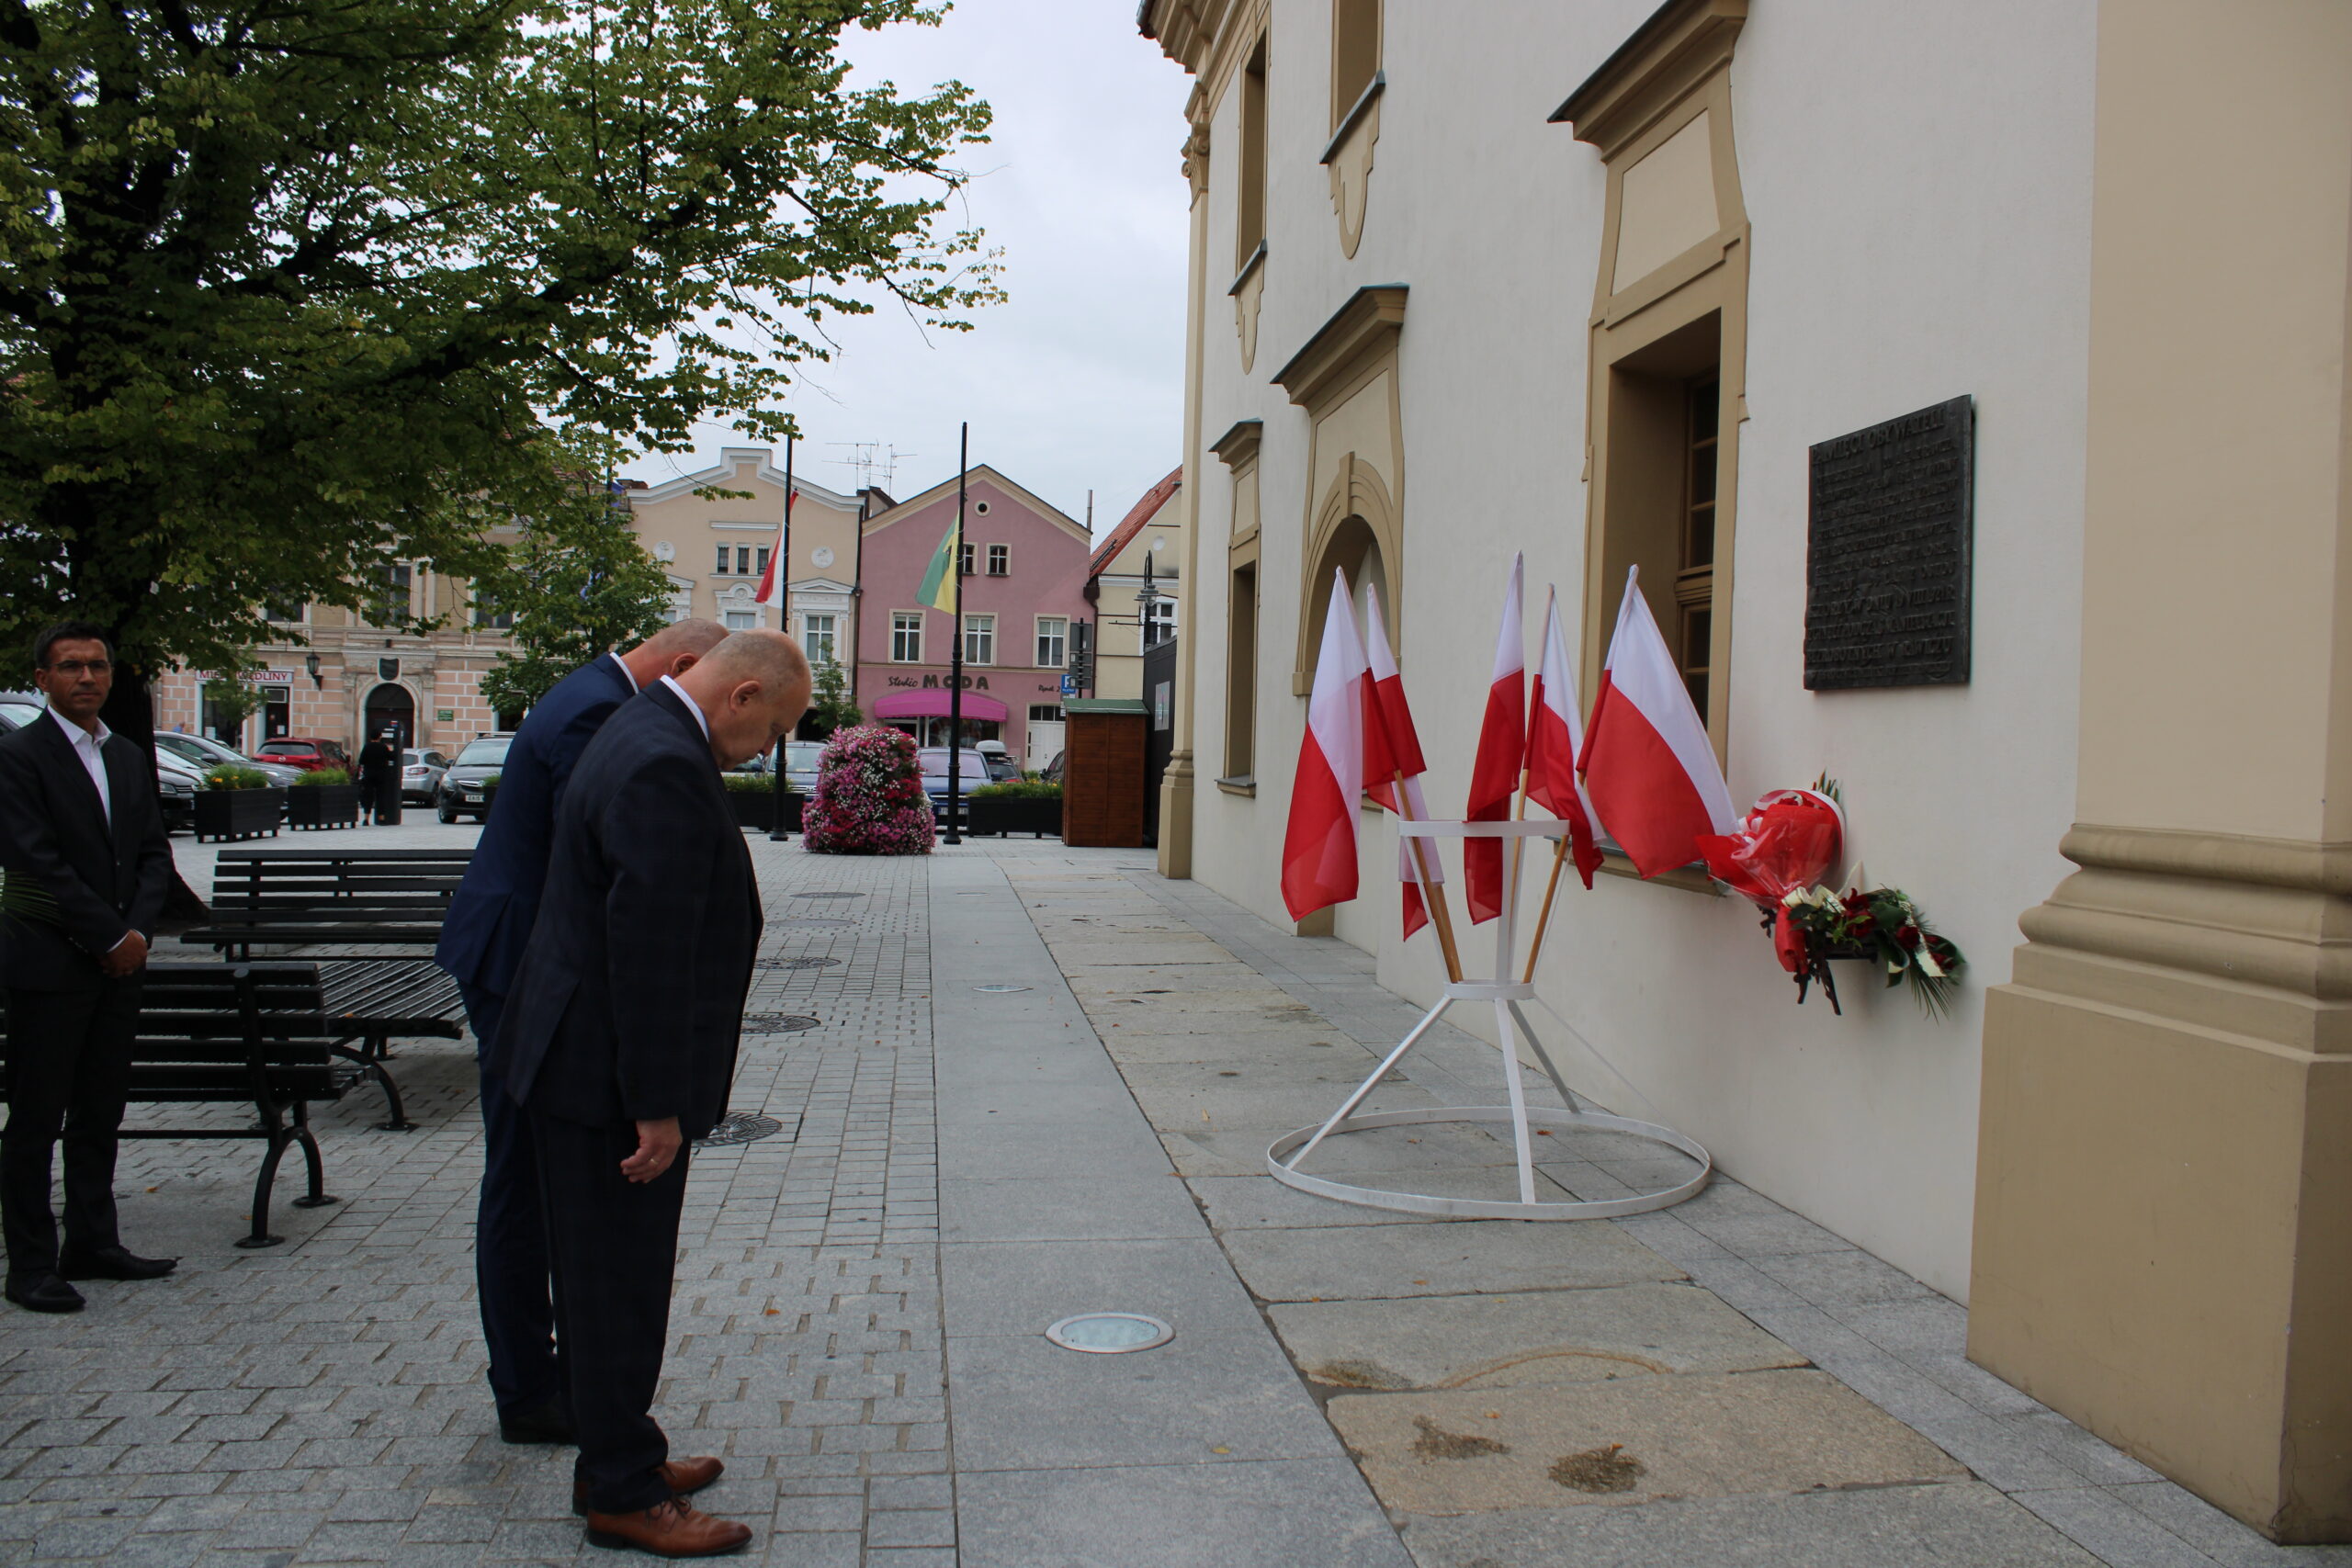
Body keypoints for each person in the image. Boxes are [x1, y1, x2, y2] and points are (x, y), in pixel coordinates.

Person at [492, 630, 809, 1557]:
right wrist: (657, 1103)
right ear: (742, 694)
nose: (762, 753)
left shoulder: (638, 727)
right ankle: (624, 1494)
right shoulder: (664, 763)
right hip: (602, 1079)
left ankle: (617, 1456)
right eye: (772, 732)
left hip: (580, 1059)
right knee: (616, 1286)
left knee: (605, 1280)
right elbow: (648, 951)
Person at [434, 619, 729, 1446]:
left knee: (530, 1182)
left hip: (521, 958)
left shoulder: (593, 696)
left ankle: (549, 1380)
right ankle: (531, 1388)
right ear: (681, 668)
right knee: (528, 1185)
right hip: (520, 966)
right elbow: (606, 870)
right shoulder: (598, 715)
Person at [0, 622, 176, 1314]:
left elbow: (154, 852)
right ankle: (32, 1262)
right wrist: (107, 934)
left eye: (97, 666)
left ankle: (93, 1240)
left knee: (100, 1110)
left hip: (117, 966)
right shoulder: (19, 756)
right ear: (42, 678)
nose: (87, 678)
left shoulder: (128, 755)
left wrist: (136, 929)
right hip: (50, 960)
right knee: (36, 1117)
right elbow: (33, 859)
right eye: (70, 667)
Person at [356, 730, 398, 825]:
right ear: (379, 737)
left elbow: (361, 760)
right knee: (380, 796)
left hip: (369, 775)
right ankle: (381, 818)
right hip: (381, 775)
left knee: (368, 797)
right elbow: (392, 757)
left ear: (370, 738)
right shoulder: (383, 747)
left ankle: (366, 819)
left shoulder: (367, 747)